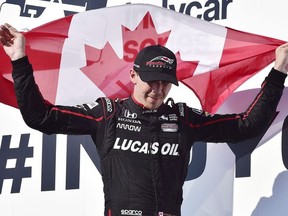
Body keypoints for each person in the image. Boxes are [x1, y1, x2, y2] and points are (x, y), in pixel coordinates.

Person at [1, 23, 288, 216]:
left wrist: (278, 73)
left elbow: (247, 126)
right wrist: (19, 60)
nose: (158, 89)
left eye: (165, 83)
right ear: (133, 75)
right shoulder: (107, 113)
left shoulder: (183, 118)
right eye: (151, 81)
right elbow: (40, 117)